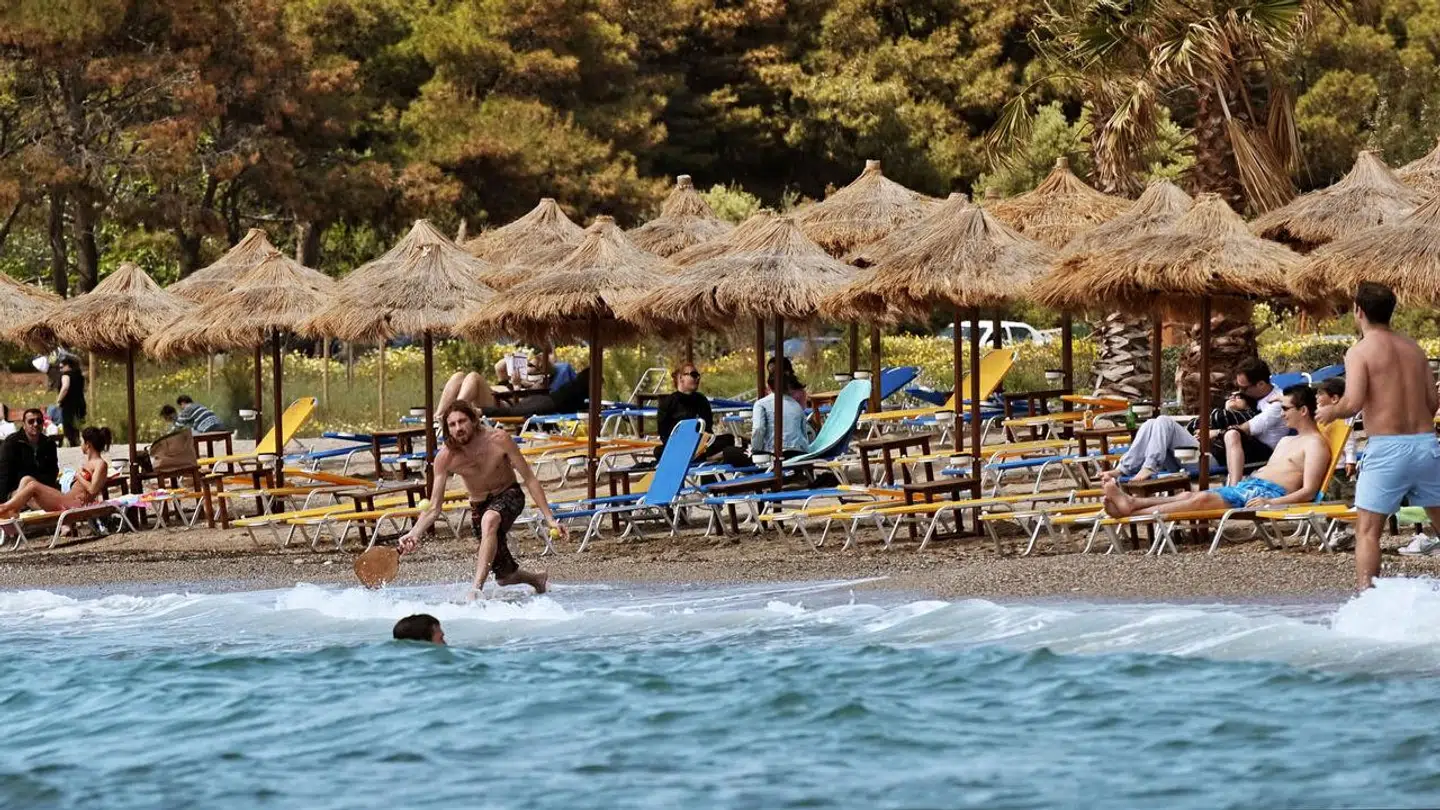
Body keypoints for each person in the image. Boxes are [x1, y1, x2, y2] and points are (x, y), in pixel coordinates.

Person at [1315, 283, 1440, 590]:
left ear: (1358, 310)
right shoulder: (1414, 349)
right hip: (1426, 445)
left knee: (1369, 532)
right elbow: (1434, 403)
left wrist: (1332, 412)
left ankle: (1366, 601)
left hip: (1387, 447)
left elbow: (1354, 401)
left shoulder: (1360, 351)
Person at [399, 401, 565, 600]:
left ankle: (476, 589)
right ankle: (537, 580)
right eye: (452, 425)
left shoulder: (498, 439)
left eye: (462, 421)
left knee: (490, 519)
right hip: (479, 506)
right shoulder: (446, 457)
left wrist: (549, 518)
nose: (458, 428)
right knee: (505, 577)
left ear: (474, 421)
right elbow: (434, 507)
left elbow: (529, 478)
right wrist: (415, 532)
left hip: (509, 495)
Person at [1103, 385, 1331, 518]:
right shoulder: (1286, 441)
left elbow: (1310, 491)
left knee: (1201, 498)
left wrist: (1272, 503)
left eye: (1285, 409)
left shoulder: (1315, 445)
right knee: (1188, 496)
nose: (1281, 414)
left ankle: (1132, 511)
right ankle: (1131, 503)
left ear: (1302, 411)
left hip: (1267, 495)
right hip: (1249, 487)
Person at [1101, 357, 1281, 484]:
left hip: (1221, 458)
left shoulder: (1276, 404)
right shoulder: (1253, 399)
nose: (1239, 392)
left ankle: (1150, 466)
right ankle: (1125, 468)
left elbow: (1246, 429)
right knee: (1151, 423)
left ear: (1261, 385)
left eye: (1244, 388)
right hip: (1208, 452)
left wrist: (1216, 432)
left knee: (1164, 421)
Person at [0, 425, 111, 518]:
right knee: (27, 479)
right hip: (67, 498)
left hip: (74, 504)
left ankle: (4, 508)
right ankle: (12, 511)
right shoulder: (88, 463)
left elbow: (93, 490)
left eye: (82, 441)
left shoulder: (100, 464)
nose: (80, 444)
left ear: (88, 445)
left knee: (33, 485)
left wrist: (78, 476)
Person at [437, 364, 589, 420]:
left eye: (533, 366)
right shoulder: (514, 379)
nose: (529, 366)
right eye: (528, 364)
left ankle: (456, 410)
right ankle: (438, 415)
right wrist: (518, 362)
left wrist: (518, 386)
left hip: (502, 405)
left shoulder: (540, 389)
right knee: (458, 376)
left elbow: (520, 408)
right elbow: (500, 366)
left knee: (473, 377)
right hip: (497, 395)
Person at [655, 363, 739, 461]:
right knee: (658, 451)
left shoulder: (701, 400)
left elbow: (708, 428)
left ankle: (702, 458)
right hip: (679, 447)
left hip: (701, 445)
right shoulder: (668, 402)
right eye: (693, 375)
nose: (697, 378)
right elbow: (663, 433)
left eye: (698, 375)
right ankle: (707, 458)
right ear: (681, 378)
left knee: (728, 438)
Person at [0, 408, 60, 500]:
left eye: (39, 421)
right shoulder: (11, 443)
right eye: (31, 421)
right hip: (17, 490)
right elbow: (4, 473)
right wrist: (4, 499)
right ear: (24, 425)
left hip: (42, 488)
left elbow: (53, 472)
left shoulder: (49, 444)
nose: (35, 424)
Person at [751, 373, 813, 460]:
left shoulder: (761, 404)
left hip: (774, 454)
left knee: (730, 452)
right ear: (788, 386)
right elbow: (804, 431)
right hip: (799, 453)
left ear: (768, 386)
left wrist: (755, 450)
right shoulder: (796, 405)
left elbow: (758, 428)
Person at [55, 356, 86, 447]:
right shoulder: (79, 376)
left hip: (69, 404)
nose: (60, 370)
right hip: (80, 403)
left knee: (69, 427)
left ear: (68, 366)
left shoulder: (66, 375)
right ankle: (79, 442)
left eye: (61, 367)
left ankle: (73, 444)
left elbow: (65, 388)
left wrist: (59, 400)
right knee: (78, 425)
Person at [160, 395, 225, 434]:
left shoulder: (187, 409)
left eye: (180, 406)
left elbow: (177, 428)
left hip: (208, 429)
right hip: (221, 426)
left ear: (183, 403)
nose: (181, 408)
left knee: (187, 434)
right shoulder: (199, 405)